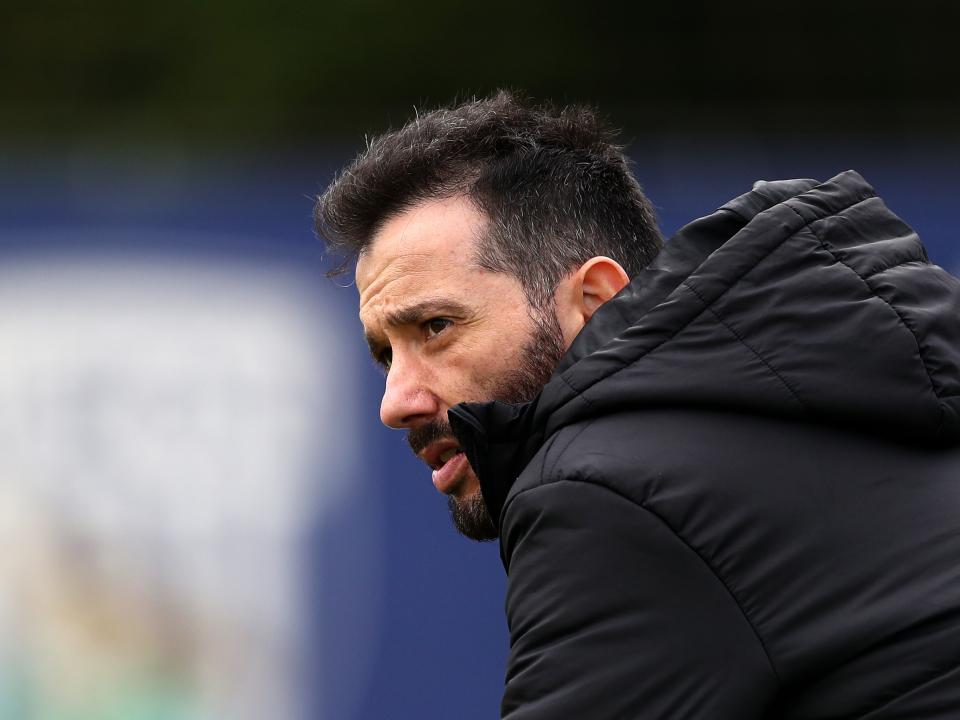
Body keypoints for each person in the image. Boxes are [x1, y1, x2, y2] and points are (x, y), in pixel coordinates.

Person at [315, 91, 960, 718]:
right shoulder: (807, 410)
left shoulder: (610, 491)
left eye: (435, 327)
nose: (395, 402)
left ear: (594, 300)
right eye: (384, 355)